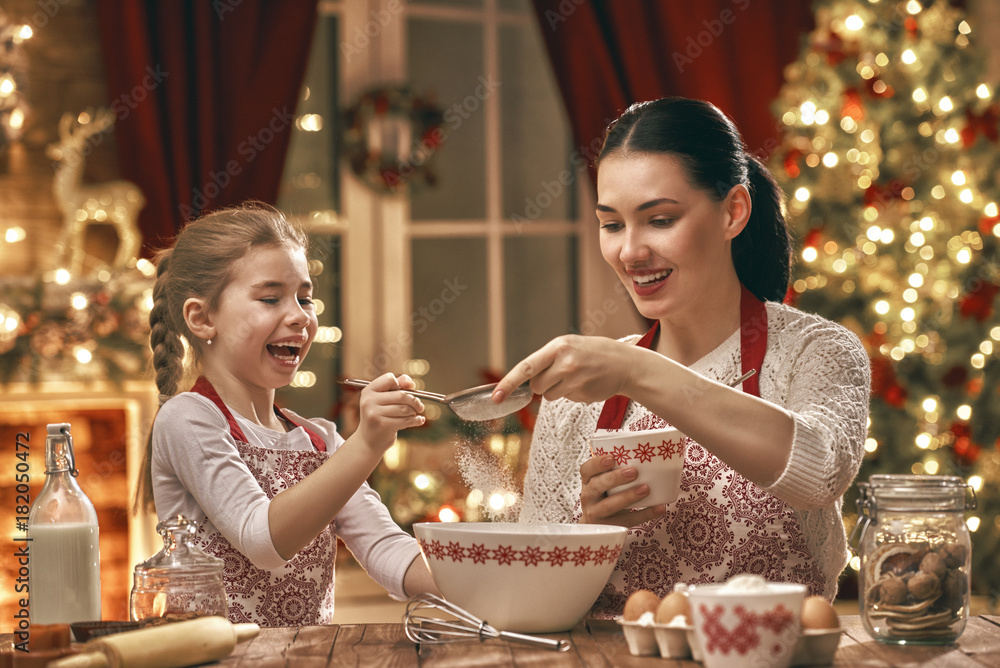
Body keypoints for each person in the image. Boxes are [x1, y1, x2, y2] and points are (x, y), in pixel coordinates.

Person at [492, 98, 871, 617]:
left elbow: (819, 473)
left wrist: (634, 370)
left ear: (733, 211)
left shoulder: (815, 352)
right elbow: (534, 602)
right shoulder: (575, 399)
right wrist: (587, 534)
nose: (630, 252)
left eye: (660, 219)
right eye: (612, 225)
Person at [134, 202, 438, 626]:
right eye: (270, 297)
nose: (299, 315)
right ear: (202, 318)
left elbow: (388, 550)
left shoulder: (319, 439)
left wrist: (492, 583)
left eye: (305, 298)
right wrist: (366, 445)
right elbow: (261, 539)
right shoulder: (188, 419)